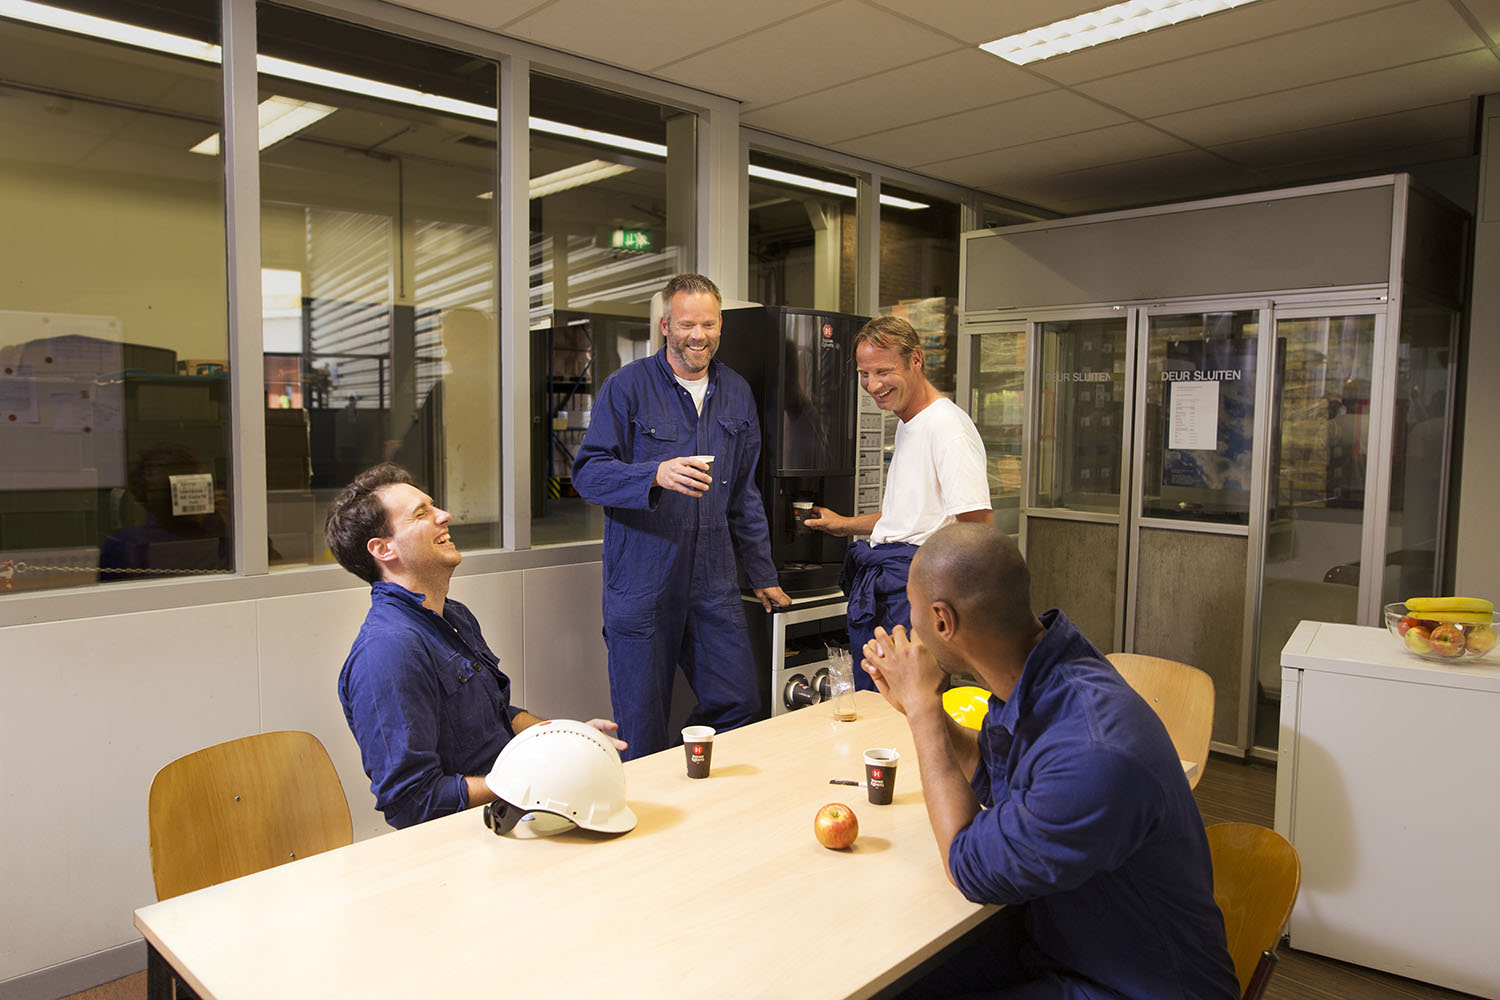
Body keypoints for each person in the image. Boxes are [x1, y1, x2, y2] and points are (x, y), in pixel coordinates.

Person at [863, 523, 1239, 1000]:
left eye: (911, 610)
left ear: (942, 621)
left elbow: (968, 864)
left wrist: (922, 712)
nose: (909, 627)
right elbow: (997, 776)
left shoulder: (1094, 750)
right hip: (1063, 942)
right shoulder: (1046, 673)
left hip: (1130, 986)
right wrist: (927, 711)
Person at [326, 462, 624, 829]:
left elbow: (496, 715)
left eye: (434, 506)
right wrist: (526, 782)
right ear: (383, 549)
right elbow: (411, 802)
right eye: (421, 514)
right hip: (463, 838)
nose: (444, 515)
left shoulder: (453, 616)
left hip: (510, 812)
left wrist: (563, 739)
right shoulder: (387, 653)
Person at [573, 273, 791, 760]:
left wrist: (762, 574)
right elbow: (588, 475)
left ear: (720, 325)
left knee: (740, 703)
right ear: (665, 326)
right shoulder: (626, 387)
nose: (699, 335)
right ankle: (653, 795)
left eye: (708, 324)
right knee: (641, 725)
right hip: (643, 578)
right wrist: (654, 474)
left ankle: (689, 782)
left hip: (713, 578)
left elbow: (744, 493)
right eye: (687, 324)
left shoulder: (736, 392)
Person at [805, 315, 991, 689]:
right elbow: (913, 518)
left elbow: (978, 530)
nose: (873, 385)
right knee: (879, 699)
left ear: (915, 360)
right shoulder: (909, 422)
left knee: (907, 702)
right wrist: (843, 524)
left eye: (884, 371)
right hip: (892, 584)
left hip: (914, 590)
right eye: (864, 373)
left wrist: (936, 602)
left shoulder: (947, 428)